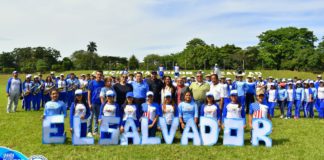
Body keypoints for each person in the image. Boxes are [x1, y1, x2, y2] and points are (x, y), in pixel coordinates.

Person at [87, 70, 105, 137]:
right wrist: (89, 103)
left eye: (100, 74)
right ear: (96, 75)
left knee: (97, 118)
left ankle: (95, 131)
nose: (99, 76)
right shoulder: (92, 82)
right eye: (98, 74)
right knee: (90, 117)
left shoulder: (103, 83)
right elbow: (89, 93)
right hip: (93, 102)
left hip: (100, 103)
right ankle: (89, 131)